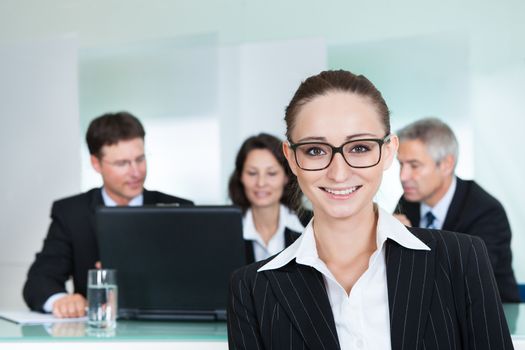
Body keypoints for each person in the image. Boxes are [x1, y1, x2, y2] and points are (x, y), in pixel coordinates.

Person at [228, 70, 513, 349]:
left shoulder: (462, 259)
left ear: (388, 152)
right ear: (290, 157)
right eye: (315, 150)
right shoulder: (252, 289)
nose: (338, 173)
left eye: (360, 148)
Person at [23, 112, 193, 318]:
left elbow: (197, 280)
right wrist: (62, 300)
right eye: (122, 163)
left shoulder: (180, 209)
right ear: (96, 163)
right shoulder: (72, 213)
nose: (136, 172)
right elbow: (40, 280)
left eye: (140, 159)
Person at [394, 117, 520, 302]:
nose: (403, 176)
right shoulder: (408, 201)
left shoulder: (486, 211)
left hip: (488, 318)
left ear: (446, 164)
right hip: (435, 315)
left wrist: (408, 239)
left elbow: (468, 280)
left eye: (414, 165)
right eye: (400, 164)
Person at [228, 133, 306, 264]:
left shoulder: (312, 226)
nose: (261, 183)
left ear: (286, 176)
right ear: (240, 176)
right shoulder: (226, 230)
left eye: (271, 173)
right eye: (252, 173)